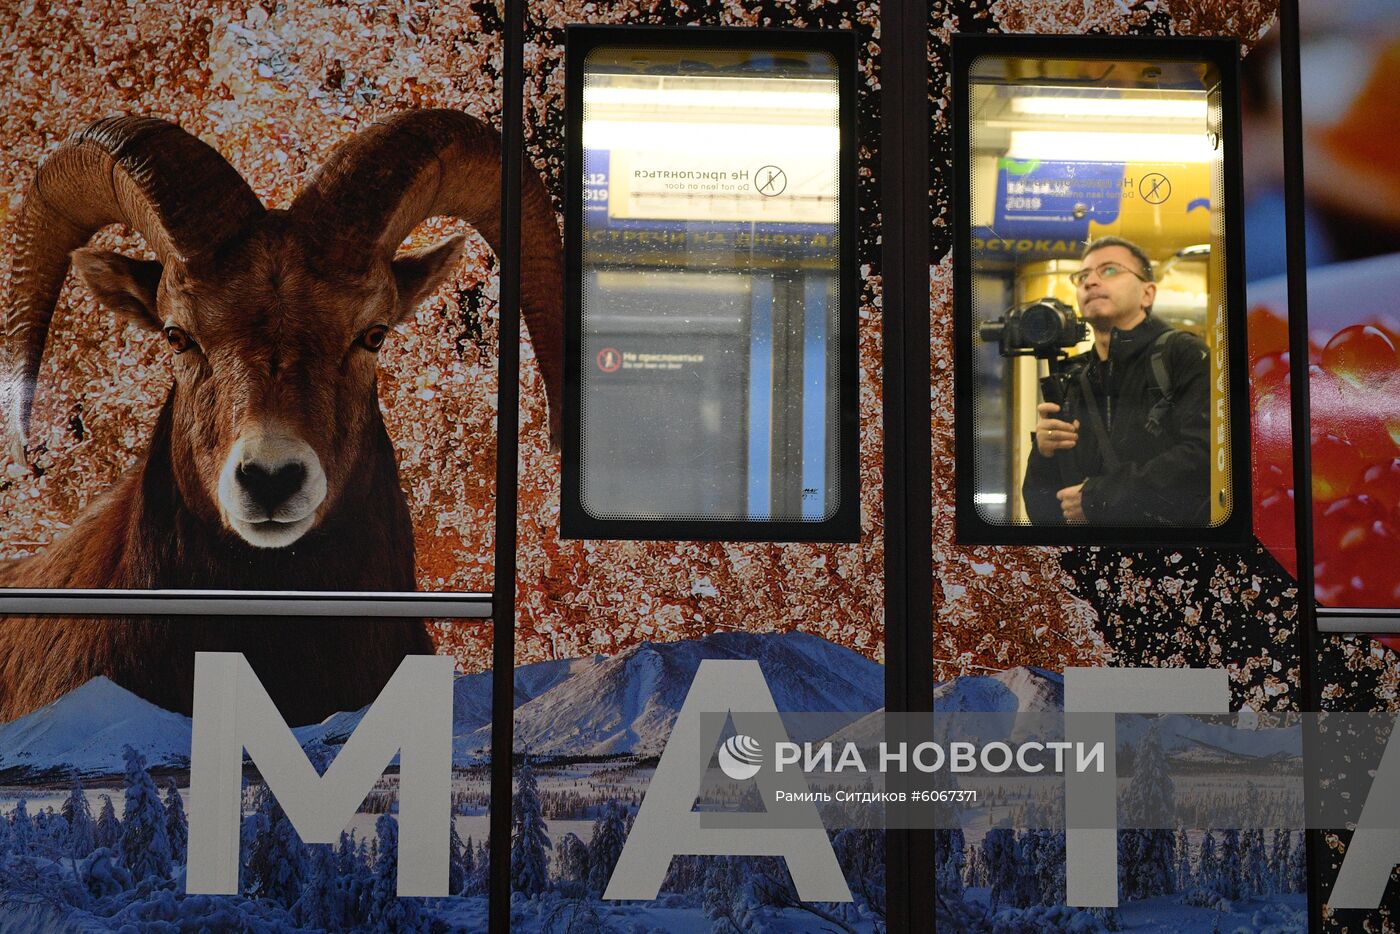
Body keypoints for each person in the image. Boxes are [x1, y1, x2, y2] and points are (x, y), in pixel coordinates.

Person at [1022, 236, 1210, 526]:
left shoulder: (1182, 354)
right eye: (1082, 276)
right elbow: (1044, 513)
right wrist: (1044, 454)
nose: (1090, 282)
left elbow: (1204, 458)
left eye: (1109, 270)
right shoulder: (1072, 375)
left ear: (1147, 293)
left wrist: (1099, 498)